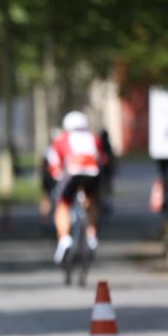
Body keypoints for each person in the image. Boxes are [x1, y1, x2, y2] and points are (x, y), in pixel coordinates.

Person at [48, 111, 107, 264]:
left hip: (72, 174)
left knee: (63, 204)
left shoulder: (61, 139)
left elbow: (54, 164)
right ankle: (92, 234)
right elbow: (102, 159)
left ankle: (64, 238)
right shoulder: (93, 138)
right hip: (93, 174)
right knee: (91, 200)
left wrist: (57, 176)